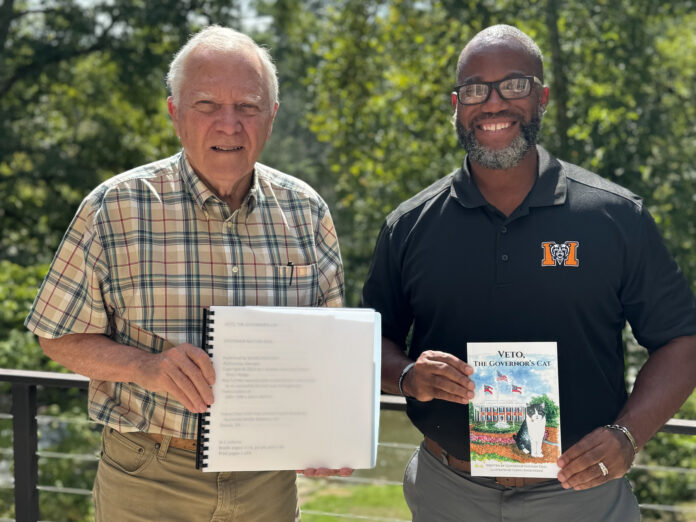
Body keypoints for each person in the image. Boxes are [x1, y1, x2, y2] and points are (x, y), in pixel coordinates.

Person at [362, 24, 696, 522]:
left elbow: (682, 342)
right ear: (457, 105)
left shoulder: (614, 217)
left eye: (513, 85)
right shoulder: (409, 226)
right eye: (476, 89)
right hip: (448, 494)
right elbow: (368, 343)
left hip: (580, 497)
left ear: (540, 97)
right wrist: (409, 376)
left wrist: (628, 437)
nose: (494, 104)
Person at [25, 25, 347, 521]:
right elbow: (58, 336)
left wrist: (328, 434)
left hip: (268, 481)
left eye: (247, 107)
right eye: (206, 105)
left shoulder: (306, 211)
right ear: (175, 114)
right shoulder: (113, 207)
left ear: (272, 117)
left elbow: (329, 350)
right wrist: (146, 368)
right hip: (148, 476)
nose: (229, 124)